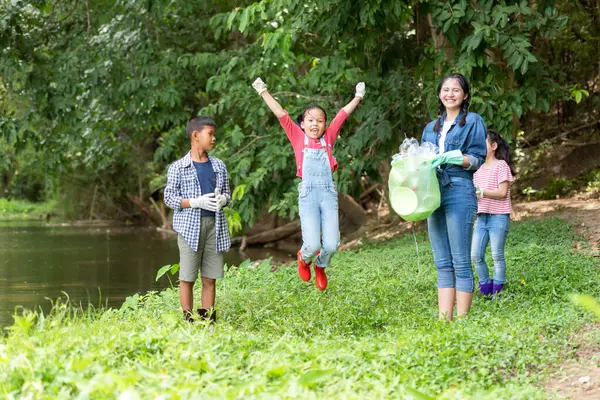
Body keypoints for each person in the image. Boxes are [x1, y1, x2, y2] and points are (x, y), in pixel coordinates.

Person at [251, 77, 365, 290]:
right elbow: (281, 113)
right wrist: (263, 91)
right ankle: (304, 259)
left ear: (325, 124)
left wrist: (358, 96)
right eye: (310, 120)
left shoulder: (329, 137)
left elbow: (342, 114)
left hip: (327, 194)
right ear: (302, 124)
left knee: (331, 244)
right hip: (308, 195)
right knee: (312, 244)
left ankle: (320, 267)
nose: (315, 124)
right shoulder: (297, 137)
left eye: (320, 120)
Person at [421, 73, 487, 321]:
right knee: (441, 261)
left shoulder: (473, 121)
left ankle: (462, 320)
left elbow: (478, 158)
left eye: (456, 90)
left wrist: (457, 158)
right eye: (445, 89)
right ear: (439, 93)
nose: (450, 94)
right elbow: (420, 161)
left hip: (459, 189)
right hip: (432, 192)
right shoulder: (430, 128)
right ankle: (443, 319)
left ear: (465, 95)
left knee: (460, 259)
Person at [164, 116, 231, 323]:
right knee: (187, 277)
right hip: (189, 229)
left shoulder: (218, 166)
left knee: (209, 277)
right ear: (195, 135)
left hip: (215, 227)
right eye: (210, 134)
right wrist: (194, 202)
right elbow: (169, 198)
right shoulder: (178, 167)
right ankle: (188, 320)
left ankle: (208, 321)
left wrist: (223, 200)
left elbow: (228, 194)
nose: (214, 139)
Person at [471, 129, 515, 297]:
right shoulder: (476, 169)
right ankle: (485, 287)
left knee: (497, 255)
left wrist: (481, 191)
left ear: (494, 146)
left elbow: (502, 192)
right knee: (476, 255)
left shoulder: (501, 166)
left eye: (483, 142)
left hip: (499, 217)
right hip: (481, 218)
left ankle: (497, 291)